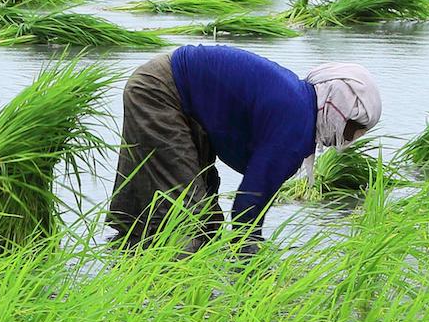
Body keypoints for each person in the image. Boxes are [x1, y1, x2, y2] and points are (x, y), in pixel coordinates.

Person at [108, 47, 383, 246]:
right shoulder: (295, 125)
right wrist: (252, 267)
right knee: (184, 220)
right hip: (162, 93)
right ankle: (170, 305)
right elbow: (245, 212)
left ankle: (125, 262)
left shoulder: (298, 106)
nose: (348, 141)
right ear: (339, 109)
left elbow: (248, 208)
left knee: (205, 225)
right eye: (352, 130)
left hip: (183, 101)